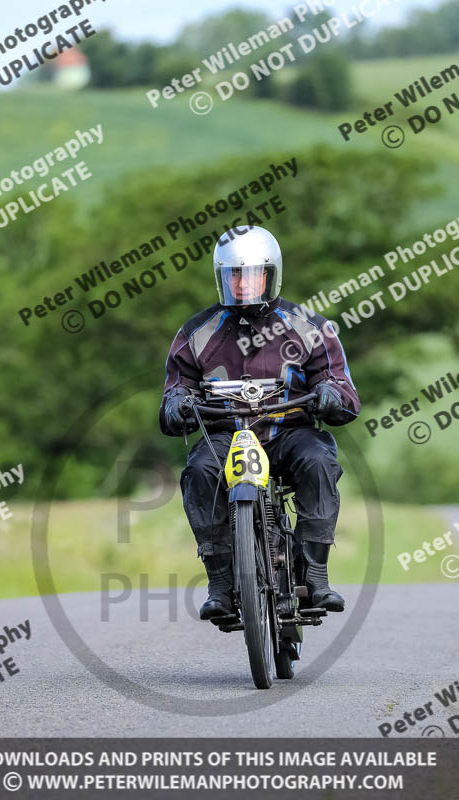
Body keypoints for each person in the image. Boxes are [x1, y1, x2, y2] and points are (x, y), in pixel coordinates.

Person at [158, 226, 360, 620]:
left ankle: (315, 574)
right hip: (226, 437)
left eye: (252, 274)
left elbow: (344, 391)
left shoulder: (311, 327)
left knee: (320, 462)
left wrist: (330, 395)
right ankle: (219, 582)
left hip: (290, 434)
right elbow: (174, 390)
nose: (243, 283)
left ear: (272, 275)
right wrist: (177, 403)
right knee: (199, 470)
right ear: (221, 277)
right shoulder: (195, 333)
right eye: (234, 274)